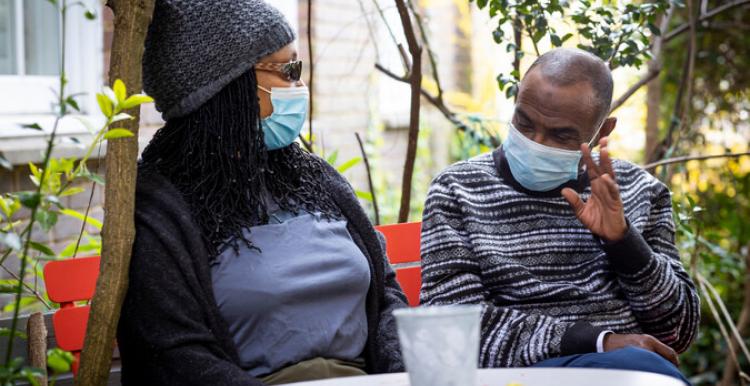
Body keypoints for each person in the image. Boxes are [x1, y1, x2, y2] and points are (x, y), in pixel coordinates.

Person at [117, 1, 407, 384]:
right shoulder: (161, 209)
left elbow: (386, 294)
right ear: (227, 87)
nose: (300, 86)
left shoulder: (314, 178)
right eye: (288, 70)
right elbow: (173, 354)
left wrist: (400, 373)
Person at [420, 48, 699, 384]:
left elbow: (677, 333)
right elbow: (453, 328)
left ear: (602, 130)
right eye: (524, 122)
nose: (536, 142)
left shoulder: (640, 190)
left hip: (633, 371)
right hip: (518, 376)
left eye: (561, 135)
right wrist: (599, 342)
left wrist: (624, 242)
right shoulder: (458, 189)